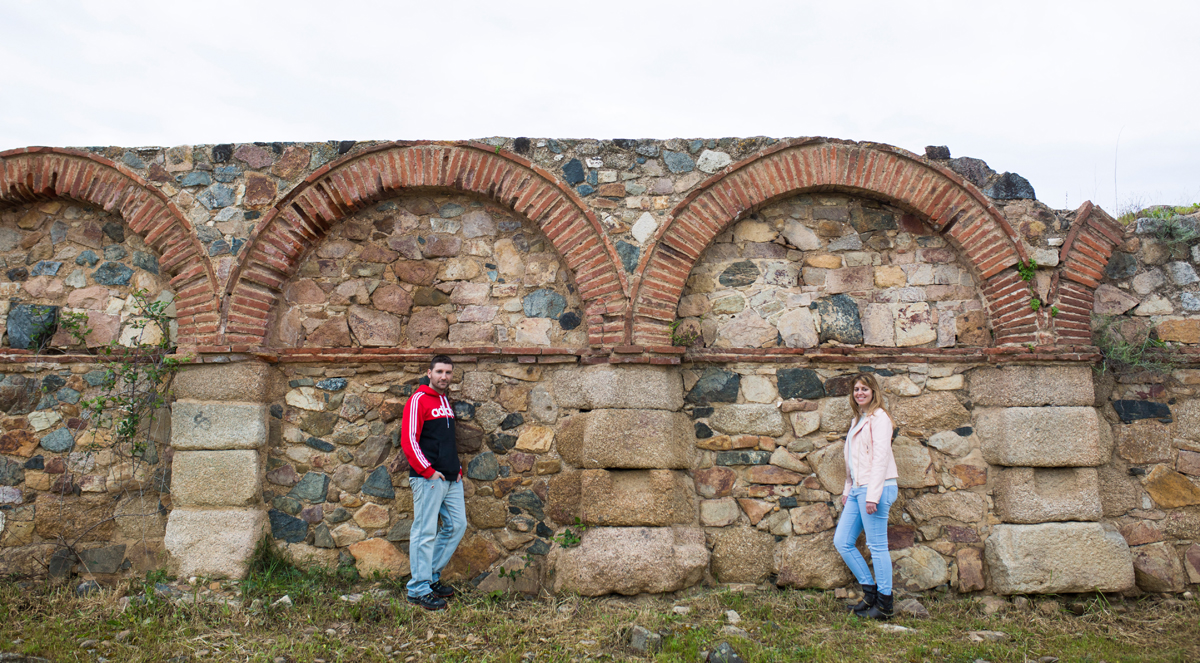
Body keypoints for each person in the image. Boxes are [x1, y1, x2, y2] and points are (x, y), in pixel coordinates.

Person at [388, 355, 467, 611]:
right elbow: (409, 440)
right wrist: (428, 470)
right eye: (440, 371)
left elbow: (446, 440)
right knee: (424, 532)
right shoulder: (418, 399)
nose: (444, 376)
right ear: (429, 373)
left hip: (451, 478)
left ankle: (430, 578)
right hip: (428, 478)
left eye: (448, 372)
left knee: (457, 526)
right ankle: (418, 589)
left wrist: (457, 468)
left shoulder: (444, 401)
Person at [832, 372, 900, 620]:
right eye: (856, 389)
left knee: (877, 546)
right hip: (858, 489)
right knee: (842, 541)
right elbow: (853, 460)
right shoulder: (858, 419)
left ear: (874, 392)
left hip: (877, 488)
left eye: (865, 389)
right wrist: (848, 489)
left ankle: (884, 606)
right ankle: (870, 594)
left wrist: (873, 495)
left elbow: (880, 457)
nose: (860, 393)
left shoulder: (880, 418)